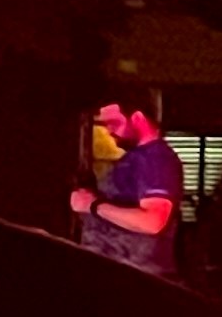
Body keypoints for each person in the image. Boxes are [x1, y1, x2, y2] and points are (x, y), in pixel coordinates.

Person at [72, 99, 184, 280]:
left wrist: (93, 205)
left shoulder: (156, 159)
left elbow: (152, 221)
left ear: (138, 118)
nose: (109, 131)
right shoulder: (136, 158)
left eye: (114, 123)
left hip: (133, 276)